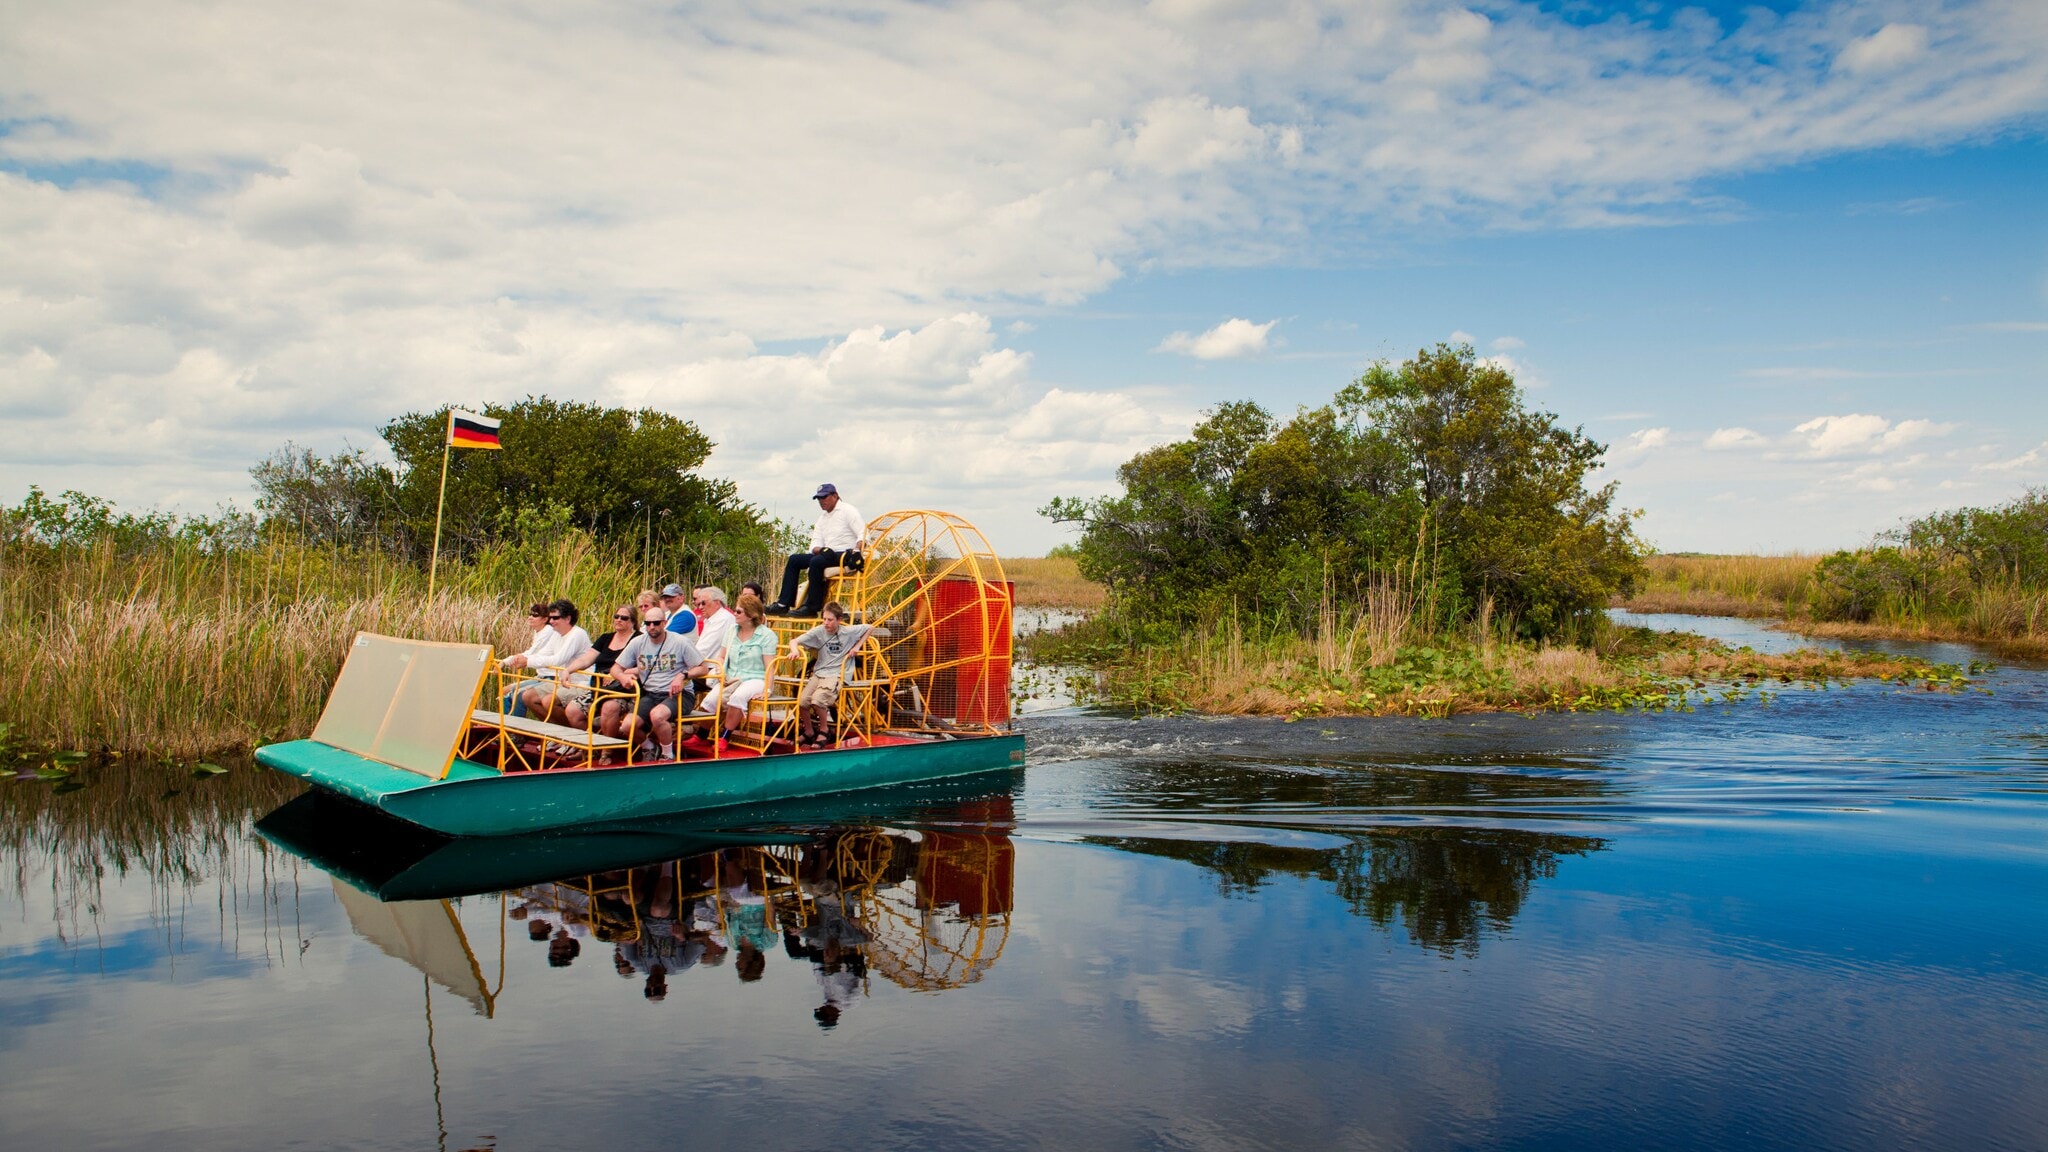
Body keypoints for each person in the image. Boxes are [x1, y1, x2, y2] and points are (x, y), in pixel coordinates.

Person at [606, 606, 712, 761]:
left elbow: (703, 668)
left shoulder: (680, 642)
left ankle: (667, 754)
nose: (651, 627)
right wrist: (623, 677)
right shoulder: (638, 642)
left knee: (657, 716)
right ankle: (649, 747)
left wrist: (683, 675)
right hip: (651, 693)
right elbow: (615, 668)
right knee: (627, 726)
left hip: (679, 694)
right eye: (648, 623)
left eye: (656, 623)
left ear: (664, 623)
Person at [768, 483, 864, 618]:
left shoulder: (848, 511)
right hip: (827, 554)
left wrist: (857, 550)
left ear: (835, 496)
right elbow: (814, 544)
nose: (821, 501)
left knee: (817, 562)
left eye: (824, 497)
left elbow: (862, 534)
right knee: (794, 559)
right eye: (818, 498)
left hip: (844, 554)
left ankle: (812, 607)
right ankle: (783, 604)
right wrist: (821, 550)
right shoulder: (822, 518)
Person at [788, 601, 876, 747]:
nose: (826, 623)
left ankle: (824, 730)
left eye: (830, 620)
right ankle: (809, 731)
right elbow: (794, 641)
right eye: (824, 619)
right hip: (820, 672)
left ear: (839, 620)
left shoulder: (847, 632)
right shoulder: (819, 631)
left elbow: (870, 627)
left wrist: (857, 646)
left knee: (818, 700)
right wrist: (795, 650)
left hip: (837, 673)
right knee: (803, 701)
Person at [701, 591, 776, 752]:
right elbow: (721, 656)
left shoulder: (766, 635)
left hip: (755, 677)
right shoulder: (732, 631)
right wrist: (720, 670)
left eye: (739, 611)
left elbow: (770, 665)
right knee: (711, 700)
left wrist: (768, 689)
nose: (734, 614)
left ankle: (725, 736)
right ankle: (701, 734)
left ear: (750, 615)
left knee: (738, 697)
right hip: (732, 676)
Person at [561, 603, 639, 744]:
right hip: (599, 688)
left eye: (624, 618)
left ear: (633, 621)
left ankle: (606, 750)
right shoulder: (605, 638)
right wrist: (568, 670)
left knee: (609, 707)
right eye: (616, 616)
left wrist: (616, 674)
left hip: (623, 691)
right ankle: (591, 744)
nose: (619, 620)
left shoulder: (639, 639)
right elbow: (586, 659)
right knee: (573, 710)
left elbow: (644, 666)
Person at [503, 600, 590, 719]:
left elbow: (557, 660)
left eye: (555, 618)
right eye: (550, 618)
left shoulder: (577, 634)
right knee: (527, 696)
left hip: (580, 684)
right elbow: (543, 654)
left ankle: (562, 731)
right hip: (562, 682)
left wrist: (527, 662)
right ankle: (548, 728)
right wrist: (521, 659)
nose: (551, 621)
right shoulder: (556, 634)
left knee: (547, 701)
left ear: (568, 619)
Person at [497, 603, 551, 717]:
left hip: (550, 677)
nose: (530, 617)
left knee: (515, 694)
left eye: (535, 615)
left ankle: (513, 730)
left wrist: (507, 661)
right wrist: (505, 661)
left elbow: (531, 654)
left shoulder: (548, 631)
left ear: (545, 619)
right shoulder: (539, 632)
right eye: (530, 614)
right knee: (504, 690)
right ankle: (506, 726)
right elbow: (530, 652)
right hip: (541, 677)